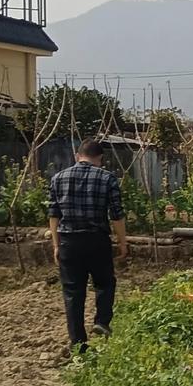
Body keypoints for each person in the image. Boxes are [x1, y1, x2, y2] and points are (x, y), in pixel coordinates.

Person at [48, 137, 129, 351]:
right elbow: (117, 215)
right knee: (105, 283)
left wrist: (56, 245)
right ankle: (101, 321)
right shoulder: (108, 178)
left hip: (69, 241)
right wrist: (122, 243)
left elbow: (54, 215)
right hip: (97, 240)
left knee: (73, 293)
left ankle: (78, 345)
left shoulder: (58, 178)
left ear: (77, 156)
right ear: (100, 158)